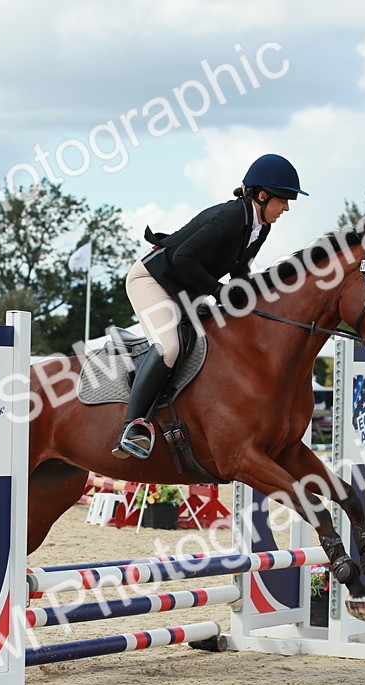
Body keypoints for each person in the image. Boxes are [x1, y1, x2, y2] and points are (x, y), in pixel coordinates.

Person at [112, 153, 307, 459]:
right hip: (153, 280)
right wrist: (218, 289)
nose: (286, 208)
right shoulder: (231, 217)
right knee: (169, 347)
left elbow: (241, 271)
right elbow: (182, 258)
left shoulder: (260, 227)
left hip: (187, 287)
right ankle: (132, 426)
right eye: (283, 200)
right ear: (262, 195)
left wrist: (256, 299)